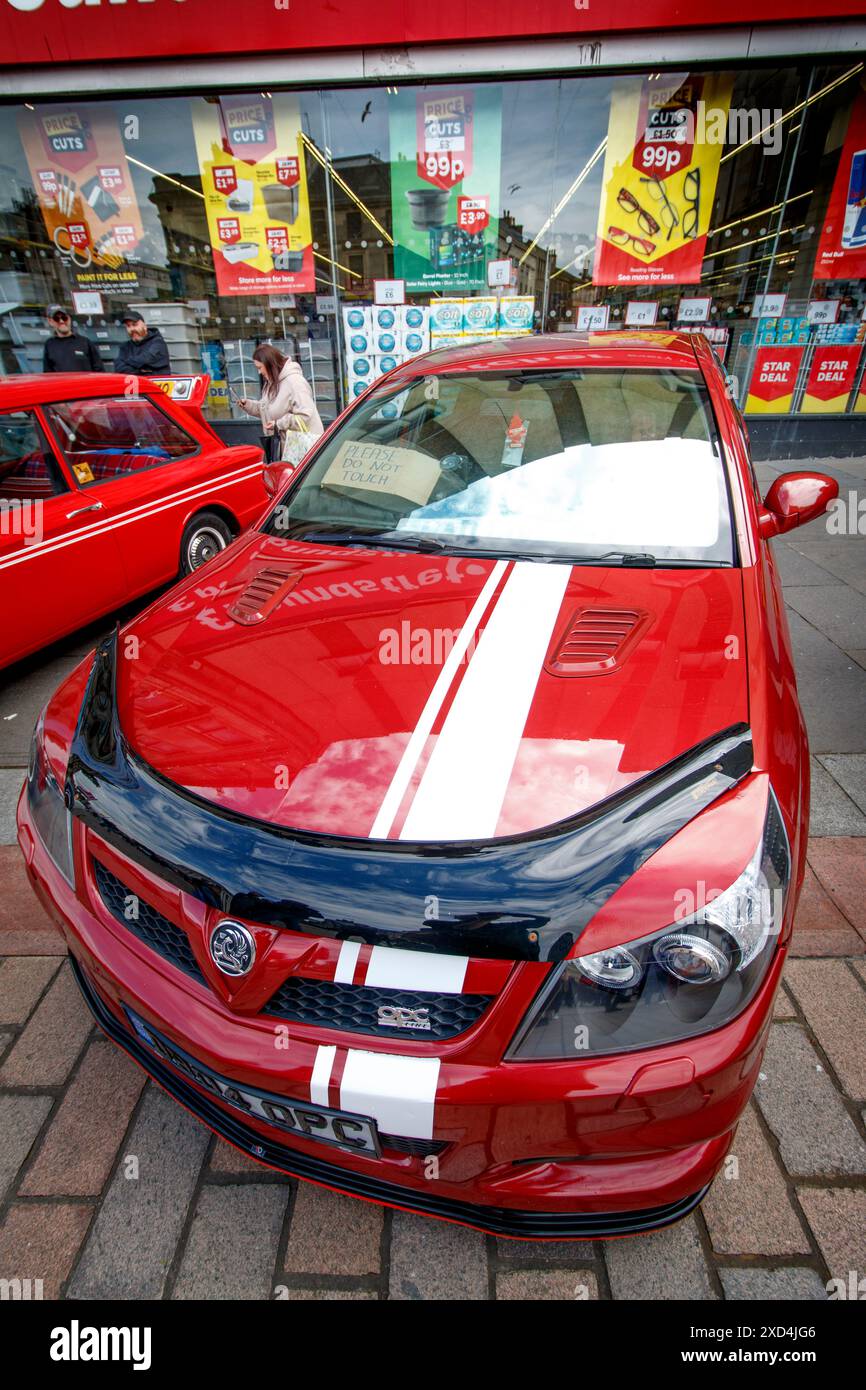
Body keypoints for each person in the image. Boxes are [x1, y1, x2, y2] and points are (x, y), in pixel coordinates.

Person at [238, 343, 324, 461]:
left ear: (270, 364)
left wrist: (278, 423)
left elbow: (305, 416)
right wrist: (248, 405)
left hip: (302, 450)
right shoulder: (271, 383)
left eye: (259, 368)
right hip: (284, 449)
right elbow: (269, 410)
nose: (259, 372)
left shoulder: (295, 382)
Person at [42, 304, 104, 373]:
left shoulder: (85, 342)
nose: (61, 321)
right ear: (50, 321)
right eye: (56, 319)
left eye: (64, 317)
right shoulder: (49, 345)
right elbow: (48, 374)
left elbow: (99, 371)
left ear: (69, 318)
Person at [114, 310, 171, 376]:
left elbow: (147, 359)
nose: (132, 329)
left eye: (135, 324)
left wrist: (127, 362)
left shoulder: (158, 342)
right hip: (134, 385)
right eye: (128, 326)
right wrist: (142, 370)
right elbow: (119, 368)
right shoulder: (125, 347)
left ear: (144, 325)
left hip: (155, 384)